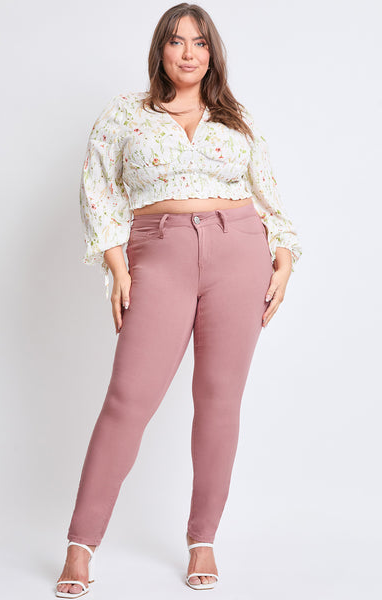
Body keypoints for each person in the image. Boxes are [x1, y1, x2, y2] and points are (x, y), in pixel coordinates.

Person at [55, 2, 302, 596]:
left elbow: (267, 193)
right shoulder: (126, 114)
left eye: (200, 43)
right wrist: (118, 266)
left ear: (212, 53)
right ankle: (81, 546)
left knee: (219, 401)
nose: (188, 53)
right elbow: (98, 188)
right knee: (127, 400)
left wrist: (285, 255)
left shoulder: (235, 118)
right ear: (160, 50)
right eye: (176, 41)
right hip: (158, 251)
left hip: (239, 250)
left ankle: (202, 540)